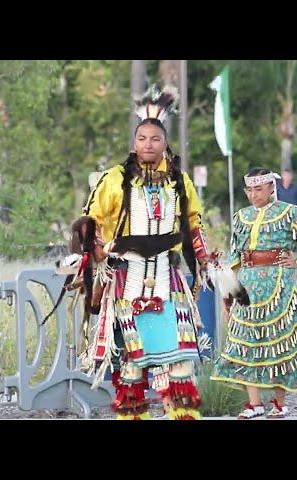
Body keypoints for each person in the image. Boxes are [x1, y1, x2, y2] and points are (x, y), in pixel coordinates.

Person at [78, 85, 210, 420]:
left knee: (179, 358)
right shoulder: (114, 179)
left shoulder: (179, 181)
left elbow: (194, 223)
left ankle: (181, 414)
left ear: (165, 142)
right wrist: (93, 254)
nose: (147, 145)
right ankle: (134, 415)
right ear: (134, 143)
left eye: (154, 139)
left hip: (167, 276)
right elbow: (90, 222)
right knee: (132, 361)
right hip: (128, 278)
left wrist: (205, 260)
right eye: (142, 139)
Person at [211, 167, 297, 419]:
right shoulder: (240, 217)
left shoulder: (289, 213)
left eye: (259, 189)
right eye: (250, 190)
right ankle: (254, 404)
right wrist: (228, 291)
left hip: (278, 285)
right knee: (246, 341)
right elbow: (235, 255)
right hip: (247, 284)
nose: (254, 195)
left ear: (270, 188)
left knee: (279, 341)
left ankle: (279, 403)